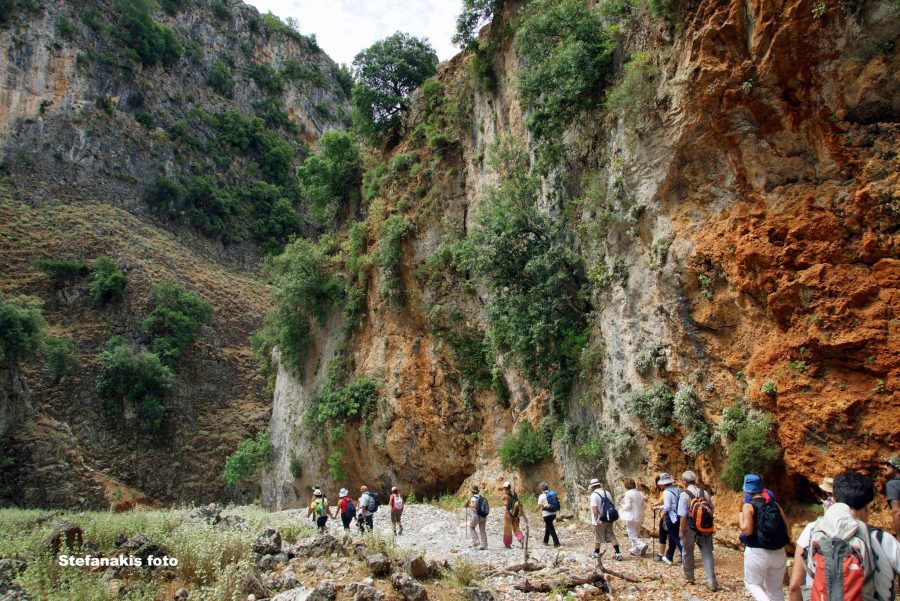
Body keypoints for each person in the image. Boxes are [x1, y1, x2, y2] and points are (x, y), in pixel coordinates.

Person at [788, 472, 900, 601]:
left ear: (834, 500)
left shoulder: (812, 531)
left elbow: (794, 587)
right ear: (869, 505)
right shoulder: (884, 540)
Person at [740, 474, 791, 601]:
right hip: (778, 552)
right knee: (775, 589)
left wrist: (740, 518)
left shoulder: (748, 506)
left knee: (752, 584)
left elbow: (747, 530)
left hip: (757, 552)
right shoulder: (774, 505)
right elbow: (788, 527)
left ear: (746, 490)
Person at [678, 471, 718, 591]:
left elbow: (683, 515)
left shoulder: (684, 495)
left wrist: (681, 530)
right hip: (705, 527)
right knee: (707, 552)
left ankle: (690, 577)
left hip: (690, 527)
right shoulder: (704, 492)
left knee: (687, 551)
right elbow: (711, 509)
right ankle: (711, 581)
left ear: (685, 481)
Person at [589, 478, 623, 561]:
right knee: (611, 535)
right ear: (599, 485)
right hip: (609, 518)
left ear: (593, 487)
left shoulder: (594, 495)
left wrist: (596, 519)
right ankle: (618, 553)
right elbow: (612, 505)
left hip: (600, 519)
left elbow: (594, 509)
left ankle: (596, 553)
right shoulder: (607, 493)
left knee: (597, 537)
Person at [658, 472, 683, 565]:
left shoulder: (667, 492)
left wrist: (659, 507)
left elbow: (667, 507)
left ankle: (686, 558)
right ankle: (669, 557)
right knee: (672, 538)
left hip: (671, 517)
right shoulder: (677, 490)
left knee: (676, 538)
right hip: (679, 516)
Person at [620, 478, 647, 557]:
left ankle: (641, 545)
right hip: (639, 516)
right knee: (636, 533)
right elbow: (644, 506)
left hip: (630, 516)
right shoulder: (640, 493)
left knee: (631, 534)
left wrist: (622, 507)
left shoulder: (628, 493)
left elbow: (628, 506)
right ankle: (635, 550)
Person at [500, 481, 525, 549]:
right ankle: (521, 539)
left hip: (508, 514)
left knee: (507, 529)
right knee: (516, 528)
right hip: (515, 515)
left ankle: (507, 544)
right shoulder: (514, 494)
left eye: (503, 488)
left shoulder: (506, 496)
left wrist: (502, 500)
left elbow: (506, 504)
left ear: (505, 488)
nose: (503, 489)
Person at [880, 456, 900, 537]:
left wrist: (899, 536)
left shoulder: (892, 484)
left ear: (896, 468)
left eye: (888, 465)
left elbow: (897, 512)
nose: (885, 467)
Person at [537, 481, 560, 548]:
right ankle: (545, 541)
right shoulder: (551, 494)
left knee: (551, 528)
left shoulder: (541, 496)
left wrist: (534, 511)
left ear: (541, 489)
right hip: (553, 513)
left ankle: (557, 543)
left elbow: (538, 506)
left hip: (546, 515)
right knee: (548, 527)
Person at [467, 485, 488, 550]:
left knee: (471, 527)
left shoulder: (473, 498)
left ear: (472, 491)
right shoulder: (481, 497)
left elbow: (474, 505)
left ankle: (476, 541)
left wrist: (468, 505)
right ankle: (484, 545)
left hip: (477, 515)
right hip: (483, 515)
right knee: (482, 530)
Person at [654, 476, 669, 561]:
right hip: (663, 516)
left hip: (667, 516)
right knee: (663, 534)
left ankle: (662, 554)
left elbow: (666, 505)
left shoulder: (666, 492)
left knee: (666, 535)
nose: (659, 485)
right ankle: (661, 553)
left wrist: (657, 507)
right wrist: (657, 504)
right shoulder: (662, 492)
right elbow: (661, 502)